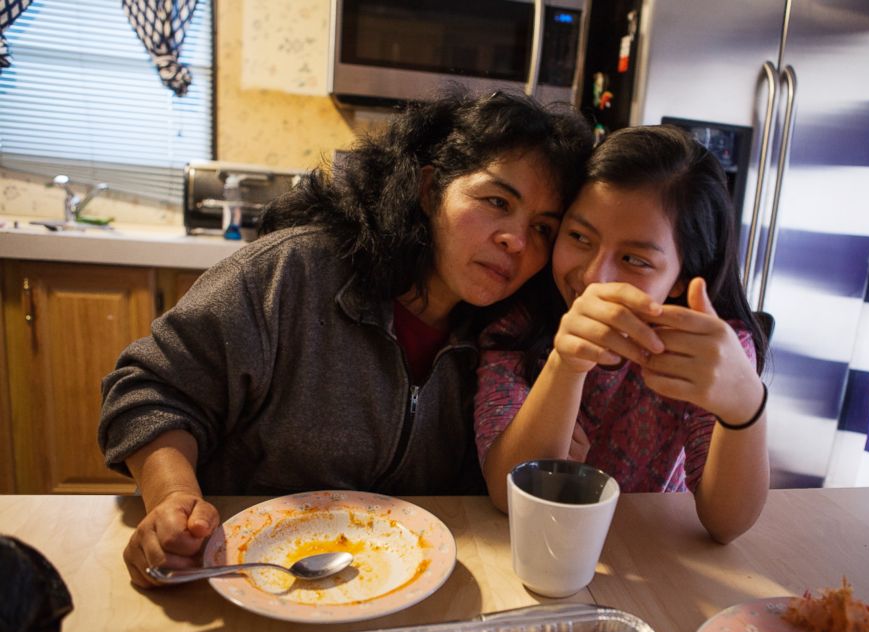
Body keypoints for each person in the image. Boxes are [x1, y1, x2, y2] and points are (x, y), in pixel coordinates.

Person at [99, 88, 593, 587]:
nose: (516, 240)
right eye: (495, 201)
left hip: (405, 589)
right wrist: (172, 499)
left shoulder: (513, 341)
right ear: (428, 190)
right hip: (241, 574)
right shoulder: (292, 273)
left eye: (544, 229)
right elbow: (150, 389)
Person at [475, 124, 769, 543]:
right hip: (538, 550)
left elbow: (727, 524)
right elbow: (509, 494)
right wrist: (565, 364)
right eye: (579, 237)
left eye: (634, 259)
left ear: (682, 277)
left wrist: (746, 406)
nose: (596, 277)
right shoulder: (518, 325)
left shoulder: (704, 350)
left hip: (649, 551)